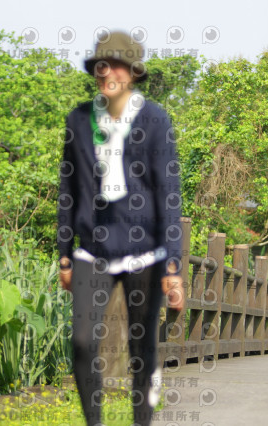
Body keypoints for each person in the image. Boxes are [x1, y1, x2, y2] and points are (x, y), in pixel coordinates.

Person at [57, 31, 184, 426]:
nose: (107, 72)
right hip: (91, 250)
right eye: (101, 65)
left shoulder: (155, 120)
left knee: (140, 347)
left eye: (116, 65)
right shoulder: (79, 120)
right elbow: (67, 190)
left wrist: (173, 265)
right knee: (82, 342)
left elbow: (169, 195)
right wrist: (63, 253)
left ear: (132, 73)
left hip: (144, 252)